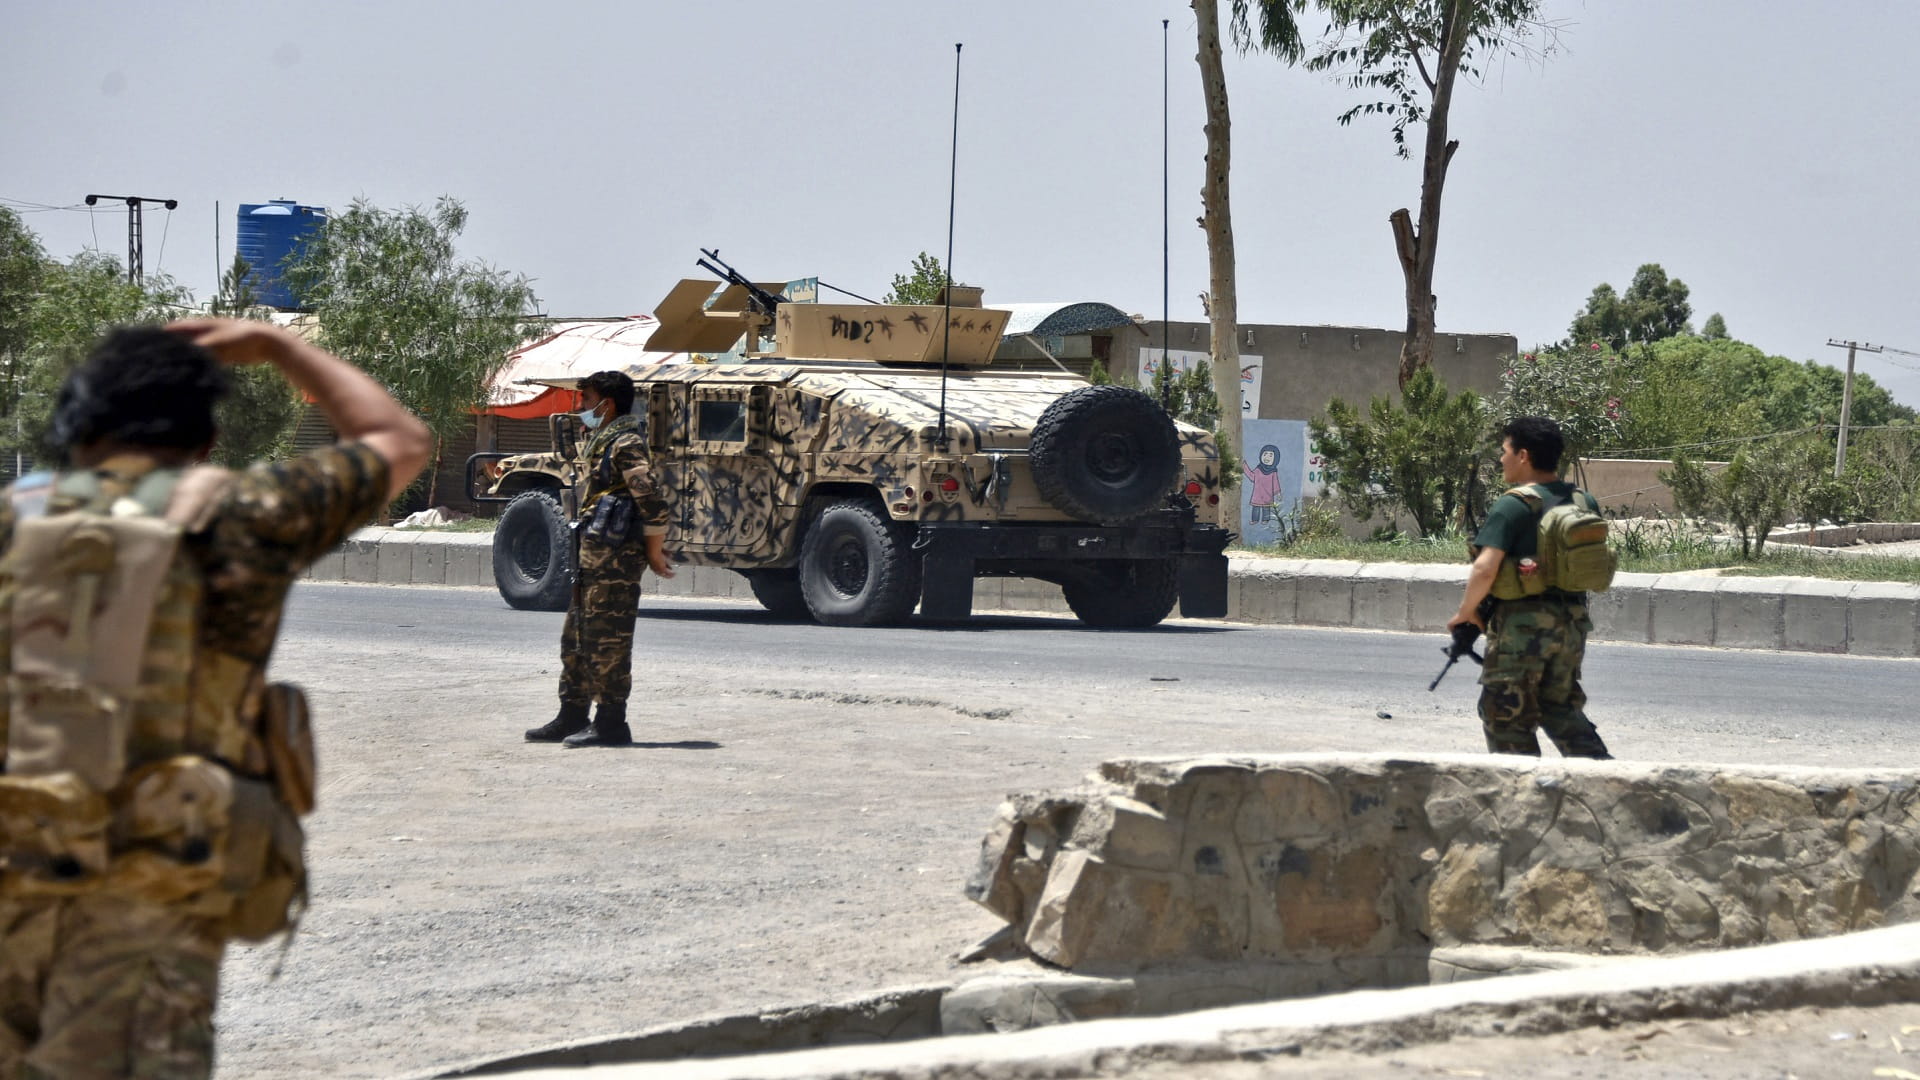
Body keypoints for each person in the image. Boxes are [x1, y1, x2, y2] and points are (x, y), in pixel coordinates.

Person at [0, 319, 429, 1079]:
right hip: (150, 908)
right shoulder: (248, 515)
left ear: (79, 424)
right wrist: (279, 347)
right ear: (203, 437)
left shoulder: (12, 522)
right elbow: (398, 440)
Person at [1447, 415, 1612, 760]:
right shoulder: (1583, 501)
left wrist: (1466, 613)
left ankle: (1521, 792)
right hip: (1572, 623)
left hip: (1522, 630)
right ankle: (1604, 778)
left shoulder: (1513, 504)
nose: (1501, 459)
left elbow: (1485, 568)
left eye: (1504, 451)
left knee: (1505, 714)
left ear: (1523, 455)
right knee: (1561, 707)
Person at [524, 370, 674, 748]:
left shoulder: (625, 444)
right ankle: (572, 714)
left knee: (608, 641)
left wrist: (654, 553)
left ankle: (610, 723)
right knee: (576, 638)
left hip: (615, 561)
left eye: (587, 400)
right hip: (592, 556)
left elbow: (653, 503)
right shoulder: (602, 442)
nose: (581, 408)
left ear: (607, 405)